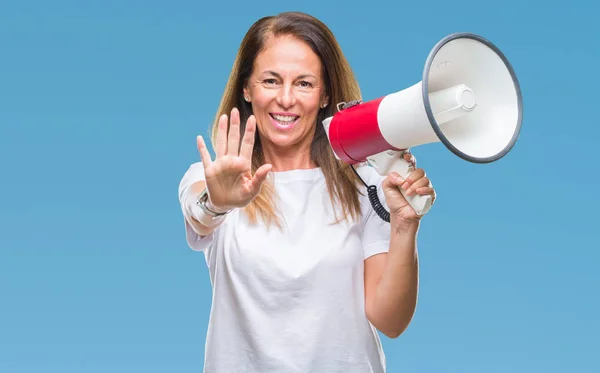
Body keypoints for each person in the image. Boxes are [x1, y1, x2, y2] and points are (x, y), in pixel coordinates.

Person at [178, 11, 436, 373]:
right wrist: (217, 203)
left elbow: (390, 321)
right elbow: (199, 212)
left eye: (304, 83)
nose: (286, 99)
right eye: (270, 80)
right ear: (246, 88)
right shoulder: (215, 178)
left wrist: (405, 225)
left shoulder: (364, 184)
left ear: (325, 93)